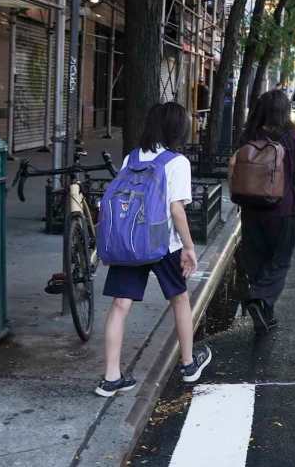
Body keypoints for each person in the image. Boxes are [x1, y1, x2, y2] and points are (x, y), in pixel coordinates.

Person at [96, 102, 212, 397]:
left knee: (120, 306)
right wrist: (189, 247)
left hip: (130, 241)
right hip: (164, 245)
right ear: (178, 129)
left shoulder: (132, 158)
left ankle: (111, 378)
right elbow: (176, 210)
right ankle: (188, 365)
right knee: (179, 299)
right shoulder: (177, 162)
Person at [234, 90, 295, 333]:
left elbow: (233, 167)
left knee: (257, 262)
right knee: (279, 263)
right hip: (283, 210)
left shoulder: (249, 135)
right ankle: (259, 299)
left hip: (250, 209)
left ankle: (265, 315)